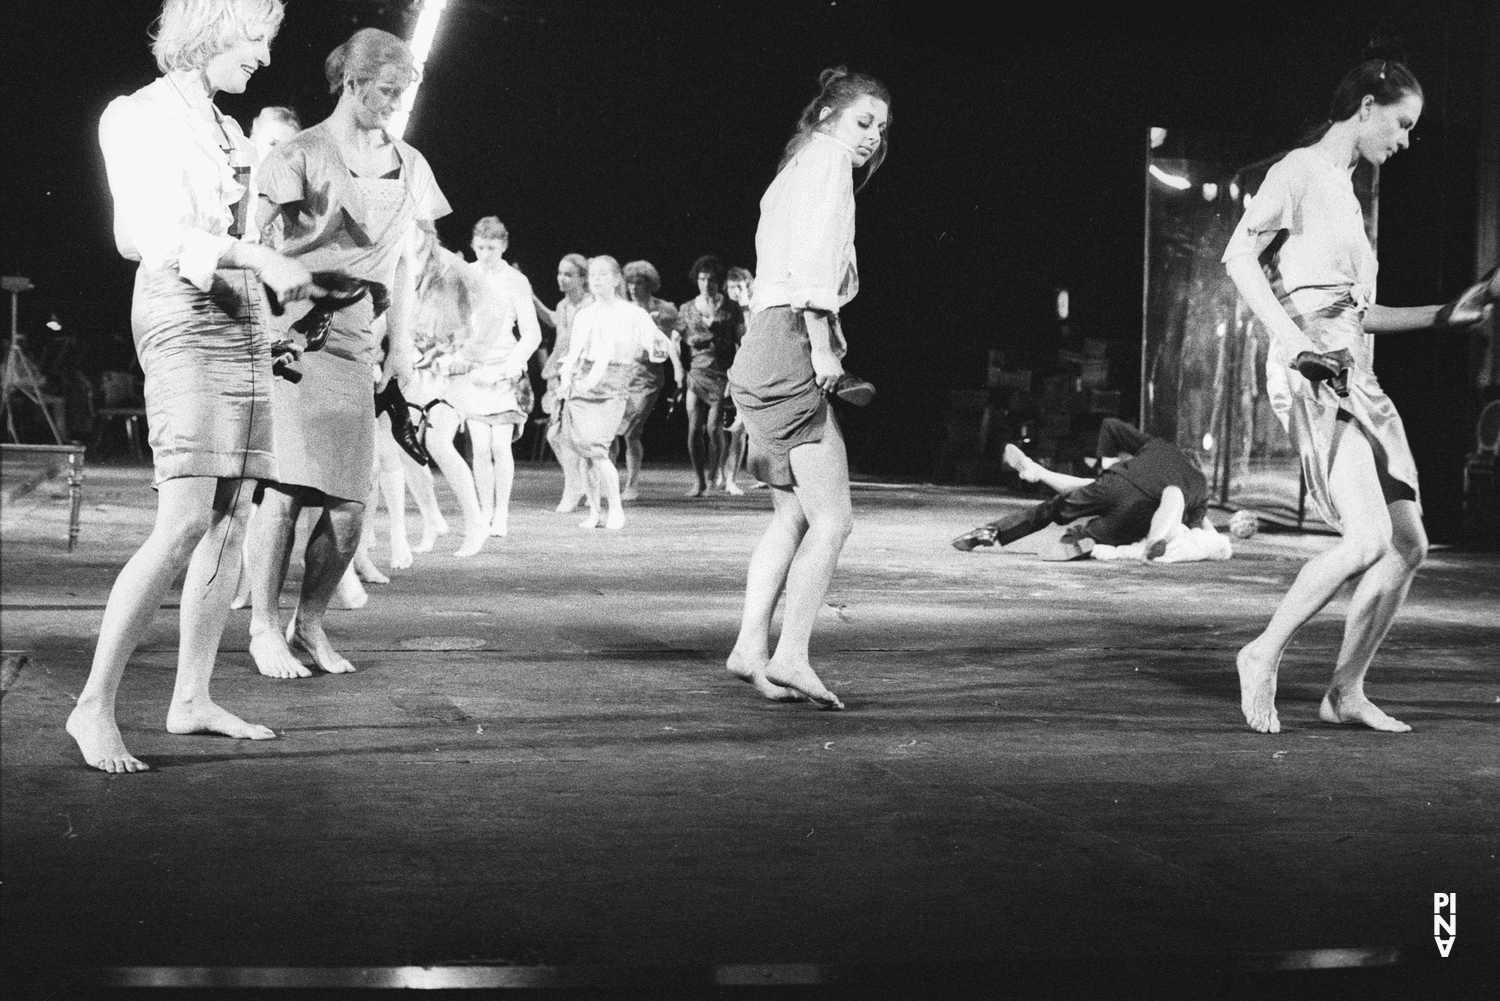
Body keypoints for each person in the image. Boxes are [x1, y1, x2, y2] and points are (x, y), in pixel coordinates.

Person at [71, 0, 314, 773]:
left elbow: (241, 235)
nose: (265, 57)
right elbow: (145, 234)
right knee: (181, 521)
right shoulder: (136, 115)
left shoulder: (226, 127)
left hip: (240, 318)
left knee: (230, 518)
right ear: (212, 27)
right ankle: (91, 706)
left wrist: (277, 265)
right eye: (256, 38)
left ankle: (192, 697)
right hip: (181, 313)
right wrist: (256, 259)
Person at [1221, 56, 1497, 734]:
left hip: (1354, 373)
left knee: (1408, 543)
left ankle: (1345, 691)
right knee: (1369, 536)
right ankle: (1260, 652)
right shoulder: (1300, 170)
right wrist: (1295, 345)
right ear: (1368, 105)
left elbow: (1357, 314)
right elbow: (1237, 256)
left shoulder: (1345, 191)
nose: (1405, 140)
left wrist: (1447, 315)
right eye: (1402, 124)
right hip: (1314, 372)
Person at [247, 27, 449, 680]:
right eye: (386, 90)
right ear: (353, 83)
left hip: (358, 333)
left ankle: (309, 624)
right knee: (285, 487)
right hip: (293, 329)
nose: (395, 103)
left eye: (403, 92)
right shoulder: (300, 153)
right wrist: (264, 324)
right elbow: (255, 245)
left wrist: (402, 345)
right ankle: (263, 627)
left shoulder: (411, 164)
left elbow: (407, 263)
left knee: (350, 502)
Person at [724, 67, 892, 710]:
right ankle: (790, 654)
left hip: (763, 342)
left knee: (793, 515)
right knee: (834, 519)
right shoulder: (827, 163)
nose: (873, 136)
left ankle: (749, 647)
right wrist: (822, 348)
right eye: (863, 121)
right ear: (827, 115)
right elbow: (815, 265)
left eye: (880, 128)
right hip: (792, 341)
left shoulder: (795, 168)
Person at [949, 419, 1211, 560]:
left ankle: (991, 532)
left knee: (1053, 509)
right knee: (1101, 533)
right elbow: (1193, 529)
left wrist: (1106, 462)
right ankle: (1082, 540)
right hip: (1142, 511)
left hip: (1114, 482)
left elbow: (1111, 425)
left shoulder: (1162, 447)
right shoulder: (1200, 486)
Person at [440, 217, 542, 538]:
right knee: (480, 448)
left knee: (500, 445)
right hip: (473, 367)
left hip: (504, 367)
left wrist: (515, 362)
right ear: (473, 245)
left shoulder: (515, 280)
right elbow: (452, 322)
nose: (486, 254)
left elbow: (532, 333)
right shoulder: (465, 275)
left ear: (504, 246)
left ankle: (502, 513)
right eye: (481, 247)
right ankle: (485, 511)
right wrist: (455, 357)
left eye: (492, 248)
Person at [559, 256, 667, 529]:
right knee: (585, 453)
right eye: (593, 274)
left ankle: (616, 509)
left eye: (603, 274)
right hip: (583, 387)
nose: (597, 279)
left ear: (617, 279)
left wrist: (660, 344)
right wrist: (566, 379)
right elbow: (574, 352)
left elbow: (655, 346)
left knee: (598, 450)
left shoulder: (632, 313)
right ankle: (595, 512)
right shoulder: (585, 314)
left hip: (613, 386)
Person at [674, 255, 745, 496]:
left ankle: (714, 473)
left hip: (722, 372)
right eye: (702, 279)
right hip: (697, 372)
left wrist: (737, 373)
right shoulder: (687, 308)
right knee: (694, 429)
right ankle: (699, 481)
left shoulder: (730, 307)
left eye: (712, 280)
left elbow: (741, 341)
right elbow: (675, 340)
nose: (707, 284)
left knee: (715, 429)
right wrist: (678, 368)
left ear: (718, 282)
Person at [619, 260, 684, 500]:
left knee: (631, 431)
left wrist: (677, 362)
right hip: (624, 374)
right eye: (630, 283)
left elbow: (678, 333)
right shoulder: (623, 308)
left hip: (648, 376)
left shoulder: (664, 309)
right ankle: (607, 482)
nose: (633, 288)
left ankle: (632, 484)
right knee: (613, 431)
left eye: (639, 283)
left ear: (650, 285)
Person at [537, 253, 593, 512]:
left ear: (583, 278)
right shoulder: (563, 305)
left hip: (581, 374)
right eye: (560, 273)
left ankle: (577, 487)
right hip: (560, 374)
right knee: (557, 435)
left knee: (568, 436)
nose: (562, 278)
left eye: (568, 274)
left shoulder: (591, 305)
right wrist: (531, 296)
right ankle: (578, 485)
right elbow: (553, 321)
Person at [719, 266, 756, 494]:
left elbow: (752, 338)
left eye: (740, 286)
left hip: (753, 372)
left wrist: (746, 305)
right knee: (730, 429)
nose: (736, 291)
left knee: (741, 428)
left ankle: (733, 478)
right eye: (732, 287)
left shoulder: (753, 307)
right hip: (733, 373)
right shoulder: (726, 312)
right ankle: (725, 476)